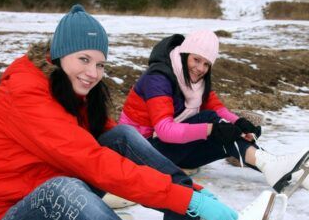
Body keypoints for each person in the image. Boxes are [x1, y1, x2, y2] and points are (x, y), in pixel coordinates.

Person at [0, 5, 277, 220]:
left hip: (43, 206)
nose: (93, 73)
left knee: (121, 136)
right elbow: (96, 164)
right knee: (63, 189)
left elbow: (112, 150)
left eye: (100, 64)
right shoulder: (26, 96)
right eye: (83, 59)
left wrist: (190, 195)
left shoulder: (66, 87)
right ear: (58, 55)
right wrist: (183, 198)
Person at [119, 30, 309, 193]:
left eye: (206, 64)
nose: (200, 68)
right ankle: (272, 165)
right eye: (196, 60)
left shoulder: (196, 81)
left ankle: (279, 168)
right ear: (185, 54)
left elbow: (217, 107)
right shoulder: (158, 79)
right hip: (139, 152)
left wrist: (239, 123)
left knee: (223, 132)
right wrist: (212, 129)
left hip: (168, 152)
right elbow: (165, 130)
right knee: (212, 123)